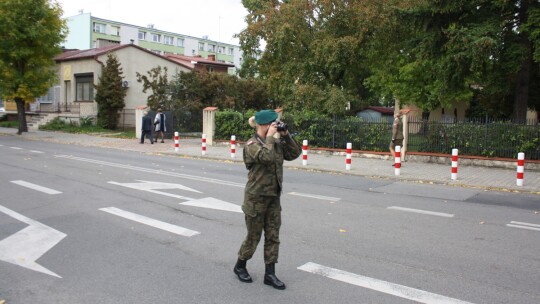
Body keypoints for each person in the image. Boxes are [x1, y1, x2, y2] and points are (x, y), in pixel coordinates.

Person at [233, 109, 301, 290]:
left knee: (273, 236)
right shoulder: (251, 145)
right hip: (256, 198)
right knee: (253, 237)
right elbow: (266, 156)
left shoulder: (276, 142)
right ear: (263, 125)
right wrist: (271, 137)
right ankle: (240, 266)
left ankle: (270, 274)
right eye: (272, 124)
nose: (275, 126)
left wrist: (286, 136)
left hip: (273, 197)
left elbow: (294, 154)